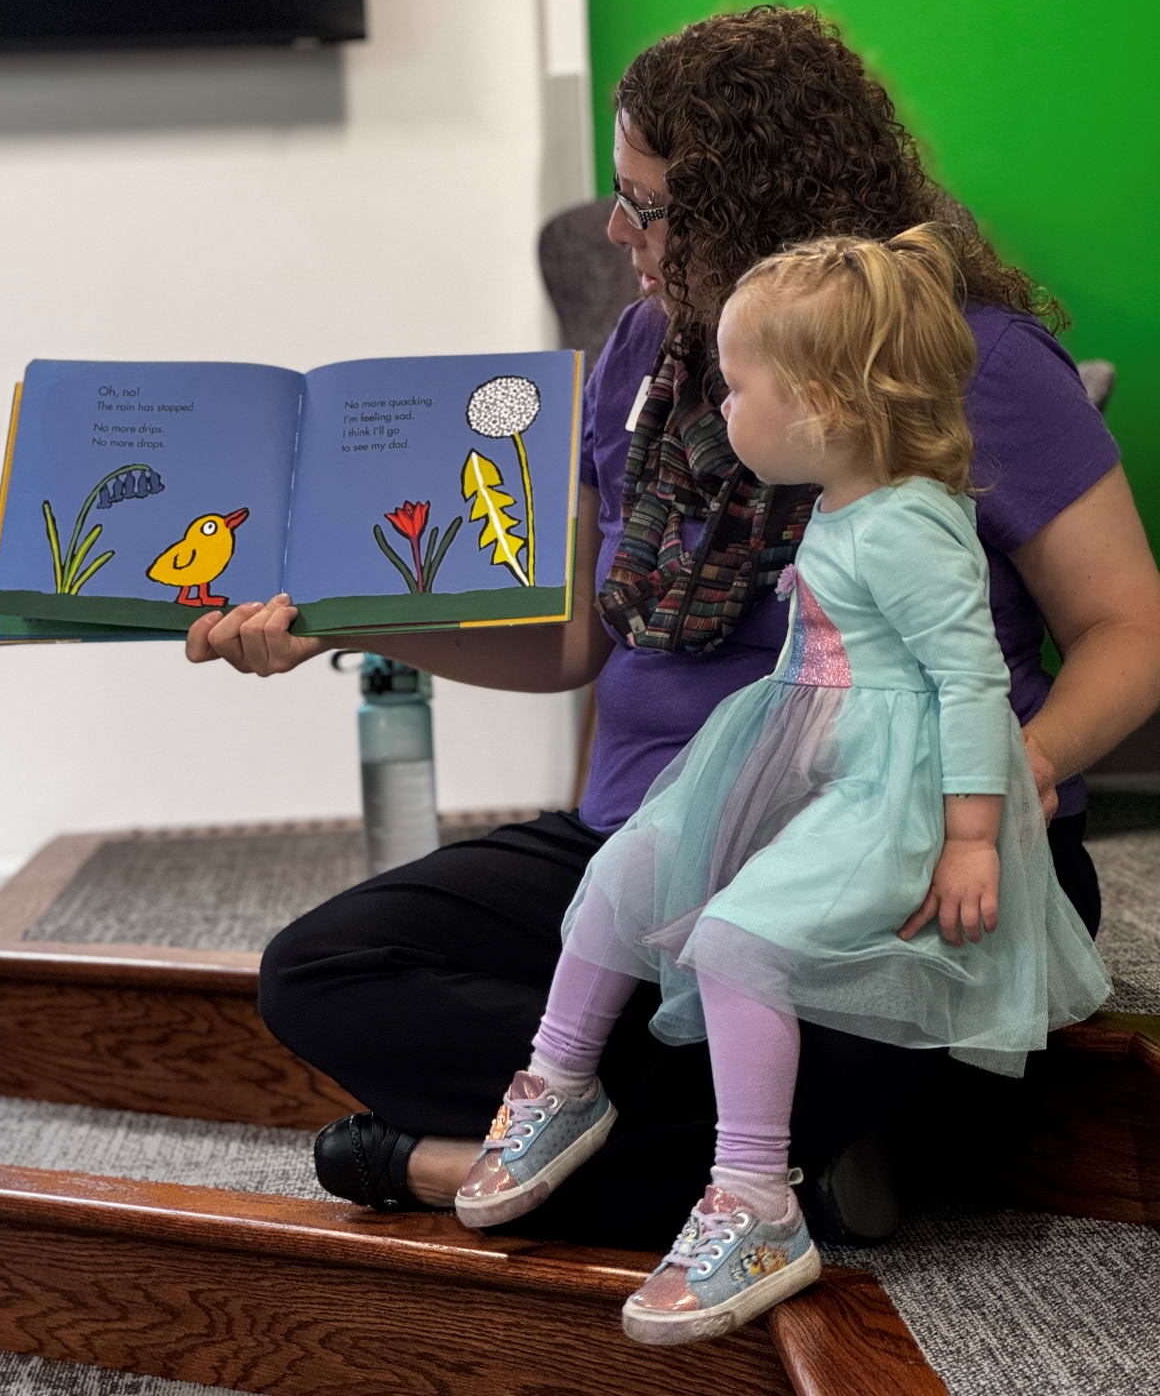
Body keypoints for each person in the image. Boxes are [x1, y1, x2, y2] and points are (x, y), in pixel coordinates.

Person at [186, 7, 1160, 1247]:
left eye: (647, 207)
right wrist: (340, 624)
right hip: (655, 832)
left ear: (752, 207)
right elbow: (576, 641)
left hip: (901, 847)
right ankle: (774, 1146)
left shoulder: (967, 361)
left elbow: (1132, 627)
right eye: (620, 195)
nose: (616, 233)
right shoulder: (645, 354)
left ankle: (451, 1166)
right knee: (319, 969)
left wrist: (1007, 777)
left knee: (731, 1060)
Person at [449, 227, 1111, 1345]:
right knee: (626, 869)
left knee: (739, 938)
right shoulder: (845, 498)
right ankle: (559, 1081)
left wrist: (968, 838)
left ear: (821, 405)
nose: (723, 413)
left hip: (893, 789)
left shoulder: (910, 524)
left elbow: (967, 681)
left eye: (741, 388)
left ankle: (757, 1200)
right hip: (808, 753)